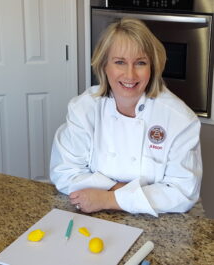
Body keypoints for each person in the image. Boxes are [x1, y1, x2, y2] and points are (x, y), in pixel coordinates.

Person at [50, 18, 202, 217]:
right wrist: (124, 191)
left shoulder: (180, 120)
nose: (130, 75)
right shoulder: (84, 108)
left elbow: (182, 192)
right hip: (97, 213)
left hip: (160, 220)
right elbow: (64, 172)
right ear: (104, 66)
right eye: (120, 62)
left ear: (153, 67)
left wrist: (108, 198)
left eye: (140, 63)